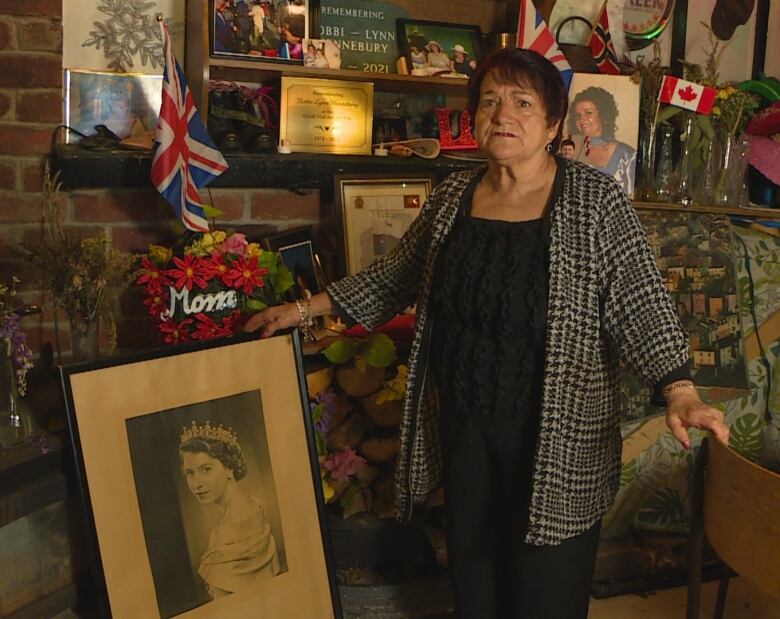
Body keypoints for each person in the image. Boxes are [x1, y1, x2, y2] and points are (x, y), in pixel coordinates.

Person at [245, 48, 729, 618]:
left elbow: (642, 302)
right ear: (473, 117)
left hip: (559, 434)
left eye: (523, 103)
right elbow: (398, 274)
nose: (504, 114)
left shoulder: (596, 202)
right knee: (475, 579)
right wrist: (305, 310)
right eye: (491, 101)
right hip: (467, 424)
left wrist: (680, 389)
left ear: (554, 124)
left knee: (545, 592)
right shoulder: (454, 195)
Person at [180, 420, 281, 599]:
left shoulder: (231, 530)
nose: (196, 484)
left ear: (228, 467)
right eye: (190, 473)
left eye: (205, 469)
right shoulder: (253, 506)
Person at [567, 86, 637, 195]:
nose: (582, 119)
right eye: (578, 115)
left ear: (603, 114)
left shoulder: (627, 155)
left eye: (588, 113)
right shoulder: (569, 151)